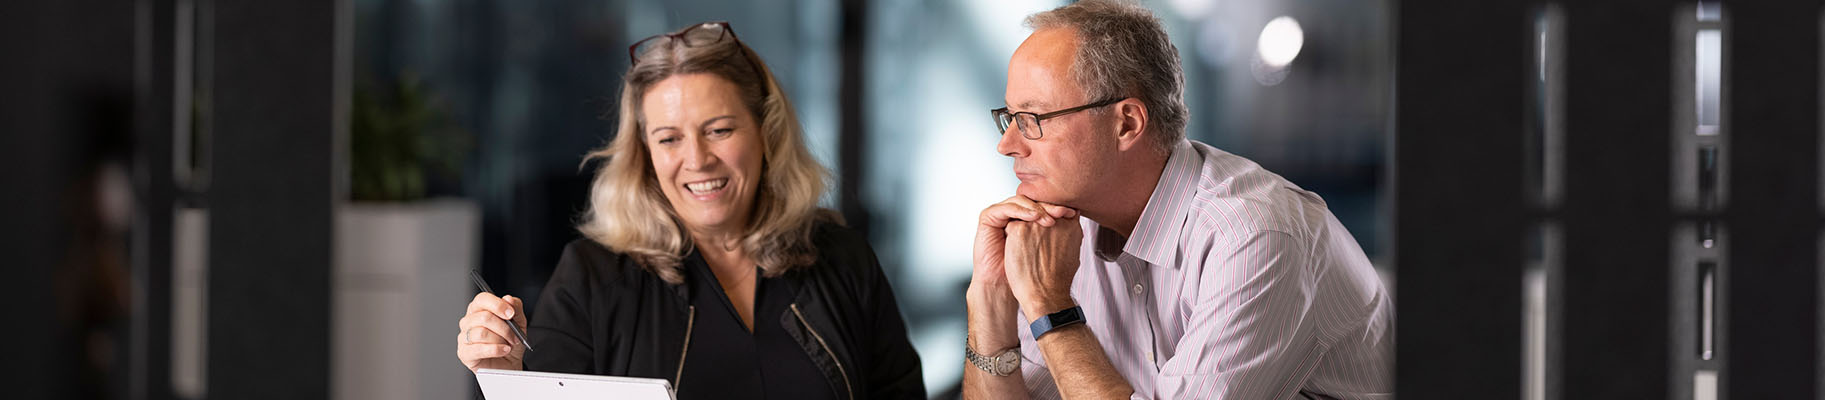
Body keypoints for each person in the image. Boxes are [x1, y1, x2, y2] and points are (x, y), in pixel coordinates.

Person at [455, 21, 925, 400]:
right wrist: (507, 376)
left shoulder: (842, 258)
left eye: (719, 130)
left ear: (766, 131)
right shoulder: (590, 278)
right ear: (646, 152)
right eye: (669, 138)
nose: (696, 160)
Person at [961, 1, 1395, 399]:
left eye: (1033, 118)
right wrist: (989, 300)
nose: (1009, 144)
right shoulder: (1059, 233)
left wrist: (1050, 307)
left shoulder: (1255, 235)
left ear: (1127, 123)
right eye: (1010, 118)